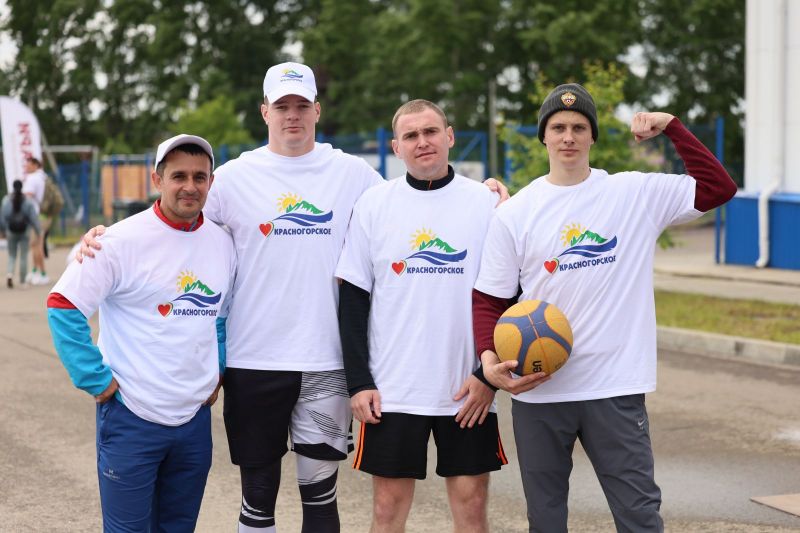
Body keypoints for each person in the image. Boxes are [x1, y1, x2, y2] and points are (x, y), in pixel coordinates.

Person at [78, 62, 508, 533]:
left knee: (320, 498)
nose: (292, 115)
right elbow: (177, 216)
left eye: (302, 105)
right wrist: (110, 235)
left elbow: (414, 202)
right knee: (257, 499)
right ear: (265, 112)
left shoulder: (352, 174)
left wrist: (488, 195)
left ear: (317, 110)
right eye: (282, 106)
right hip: (253, 361)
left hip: (326, 362)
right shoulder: (234, 178)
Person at [472, 83, 737, 532]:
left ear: (592, 136)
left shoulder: (633, 193)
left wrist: (672, 127)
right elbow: (489, 299)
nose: (568, 136)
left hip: (614, 386)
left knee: (639, 517)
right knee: (546, 521)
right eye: (558, 127)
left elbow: (718, 187)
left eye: (579, 127)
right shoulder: (516, 213)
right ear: (544, 136)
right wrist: (488, 360)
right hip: (540, 388)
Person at [47, 134, 236, 531]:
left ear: (211, 182)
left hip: (193, 420)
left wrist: (217, 369)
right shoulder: (117, 241)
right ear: (157, 180)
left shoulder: (223, 243)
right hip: (132, 416)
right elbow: (63, 305)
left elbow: (220, 316)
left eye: (199, 177)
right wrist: (95, 378)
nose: (190, 186)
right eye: (178, 176)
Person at [336, 99, 507, 533]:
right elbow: (353, 300)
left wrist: (487, 376)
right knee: (386, 510)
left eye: (431, 132)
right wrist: (358, 382)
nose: (422, 142)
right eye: (410, 136)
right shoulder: (374, 204)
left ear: (449, 136)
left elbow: (506, 296)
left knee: (472, 508)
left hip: (467, 389)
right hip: (393, 390)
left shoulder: (486, 203)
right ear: (397, 147)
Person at [0, 179, 41, 288]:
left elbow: (3, 217)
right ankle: (22, 281)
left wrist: (3, 230)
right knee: (23, 256)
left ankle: (10, 274)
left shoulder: (6, 200)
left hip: (11, 231)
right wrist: (38, 231)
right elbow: (33, 218)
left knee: (12, 255)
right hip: (24, 231)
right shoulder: (27, 201)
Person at [22, 157, 50, 284]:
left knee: (36, 245)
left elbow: (27, 195)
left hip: (36, 216)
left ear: (35, 165)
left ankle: (43, 273)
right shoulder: (43, 176)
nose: (26, 167)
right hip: (45, 215)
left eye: (28, 165)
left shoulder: (32, 178)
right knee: (36, 244)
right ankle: (35, 270)